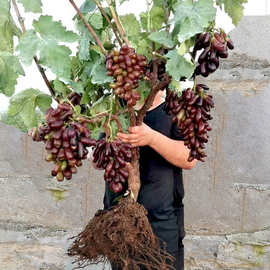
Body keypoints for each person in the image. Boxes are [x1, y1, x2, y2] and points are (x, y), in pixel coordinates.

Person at [98, 90, 197, 270]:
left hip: (161, 226)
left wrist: (151, 138)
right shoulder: (114, 104)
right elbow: (99, 158)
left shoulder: (175, 104)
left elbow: (189, 158)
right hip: (120, 224)